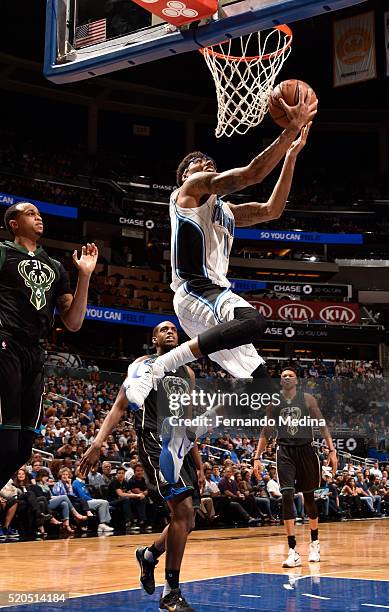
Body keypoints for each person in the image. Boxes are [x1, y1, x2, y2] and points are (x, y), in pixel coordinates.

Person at [122, 94, 317, 410]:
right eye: (196, 161)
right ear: (186, 175)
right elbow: (251, 174)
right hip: (196, 292)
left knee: (263, 389)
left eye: (207, 160)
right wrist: (289, 130)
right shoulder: (190, 191)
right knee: (253, 321)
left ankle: (195, 430)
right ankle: (154, 367)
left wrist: (291, 157)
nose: (204, 162)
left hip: (211, 301)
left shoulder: (226, 210)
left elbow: (272, 210)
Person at [81, 321, 205, 612]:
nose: (170, 331)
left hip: (181, 446)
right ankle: (171, 592)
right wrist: (99, 442)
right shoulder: (144, 364)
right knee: (182, 511)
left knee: (188, 521)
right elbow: (120, 405)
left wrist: (198, 461)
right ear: (154, 339)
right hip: (154, 439)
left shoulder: (188, 372)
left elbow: (187, 420)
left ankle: (148, 556)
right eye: (163, 329)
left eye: (174, 329)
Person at [0, 202, 98, 489]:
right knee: (5, 442)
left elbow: (74, 322)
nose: (38, 217)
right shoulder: (4, 252)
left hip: (35, 353)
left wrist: (85, 276)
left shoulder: (55, 266)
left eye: (39, 213)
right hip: (6, 344)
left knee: (21, 450)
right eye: (30, 213)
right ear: (14, 223)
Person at [254, 368, 337, 567]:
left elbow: (322, 424)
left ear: (297, 381)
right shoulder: (274, 403)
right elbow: (266, 431)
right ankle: (292, 551)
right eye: (284, 376)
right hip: (284, 451)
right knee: (287, 495)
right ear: (280, 381)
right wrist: (256, 457)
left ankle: (314, 543)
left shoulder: (308, 399)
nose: (287, 377)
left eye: (291, 375)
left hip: (306, 450)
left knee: (309, 498)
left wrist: (332, 450)